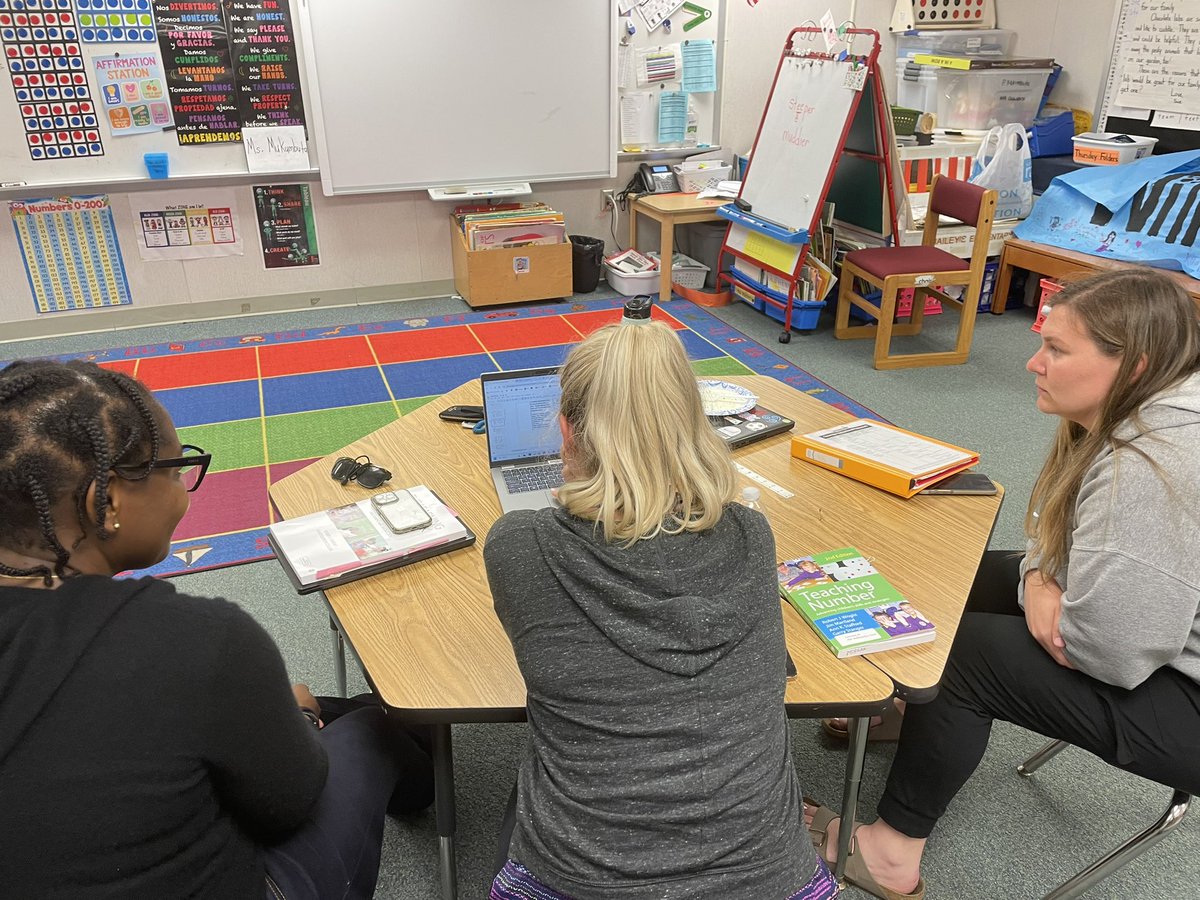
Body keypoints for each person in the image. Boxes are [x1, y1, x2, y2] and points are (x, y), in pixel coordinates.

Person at [806, 267, 1200, 900]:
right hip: (1159, 636)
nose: (1032, 363)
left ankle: (889, 856)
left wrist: (1042, 586)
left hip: (1183, 696)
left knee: (966, 657)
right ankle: (914, 711)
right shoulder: (1145, 408)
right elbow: (1059, 537)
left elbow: (1112, 654)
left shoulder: (1152, 468)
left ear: (1134, 365)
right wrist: (1038, 579)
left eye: (1056, 350)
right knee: (957, 575)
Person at [0, 359, 434, 898]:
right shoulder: (198, 639)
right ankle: (416, 769)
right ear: (106, 501)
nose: (183, 489)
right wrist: (301, 719)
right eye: (176, 471)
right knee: (372, 730)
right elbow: (285, 805)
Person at [484, 322, 837, 900]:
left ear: (567, 431)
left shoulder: (519, 544)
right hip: (771, 881)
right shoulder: (752, 534)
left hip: (579, 881)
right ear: (696, 427)